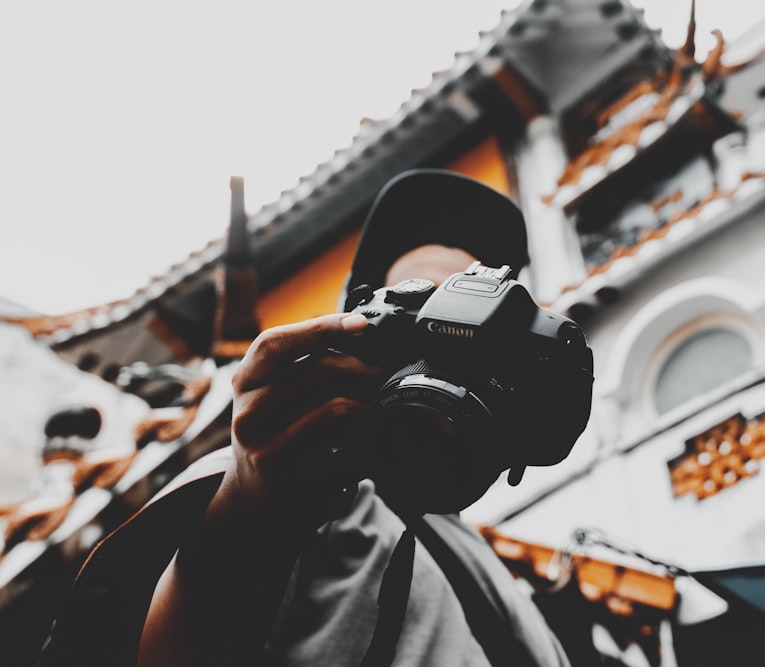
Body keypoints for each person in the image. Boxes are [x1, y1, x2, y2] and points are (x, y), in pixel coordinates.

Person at [38, 170, 581, 666]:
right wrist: (248, 511)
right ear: (358, 330)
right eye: (425, 317)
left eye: (480, 331)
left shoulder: (501, 577)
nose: (450, 356)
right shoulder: (287, 479)